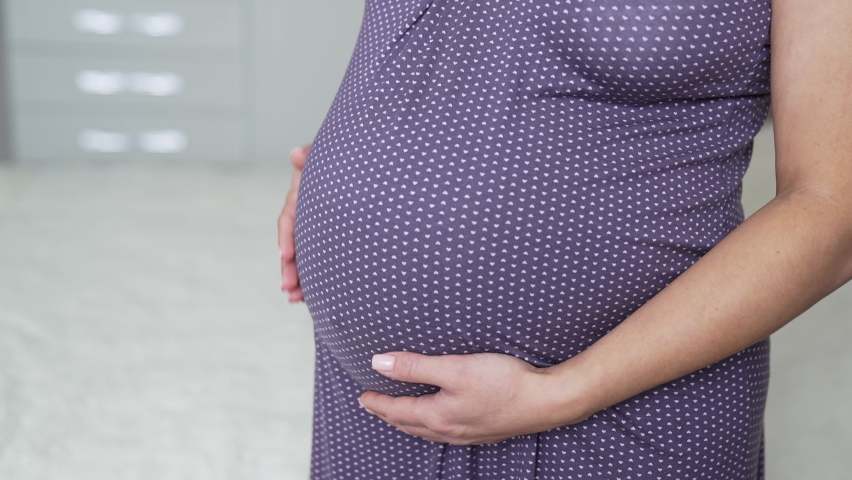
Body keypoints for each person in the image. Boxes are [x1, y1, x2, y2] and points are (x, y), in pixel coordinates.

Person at [278, 0, 852, 478]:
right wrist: (342, 158)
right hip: (373, 408)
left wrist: (564, 393)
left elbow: (832, 210)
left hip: (629, 404)